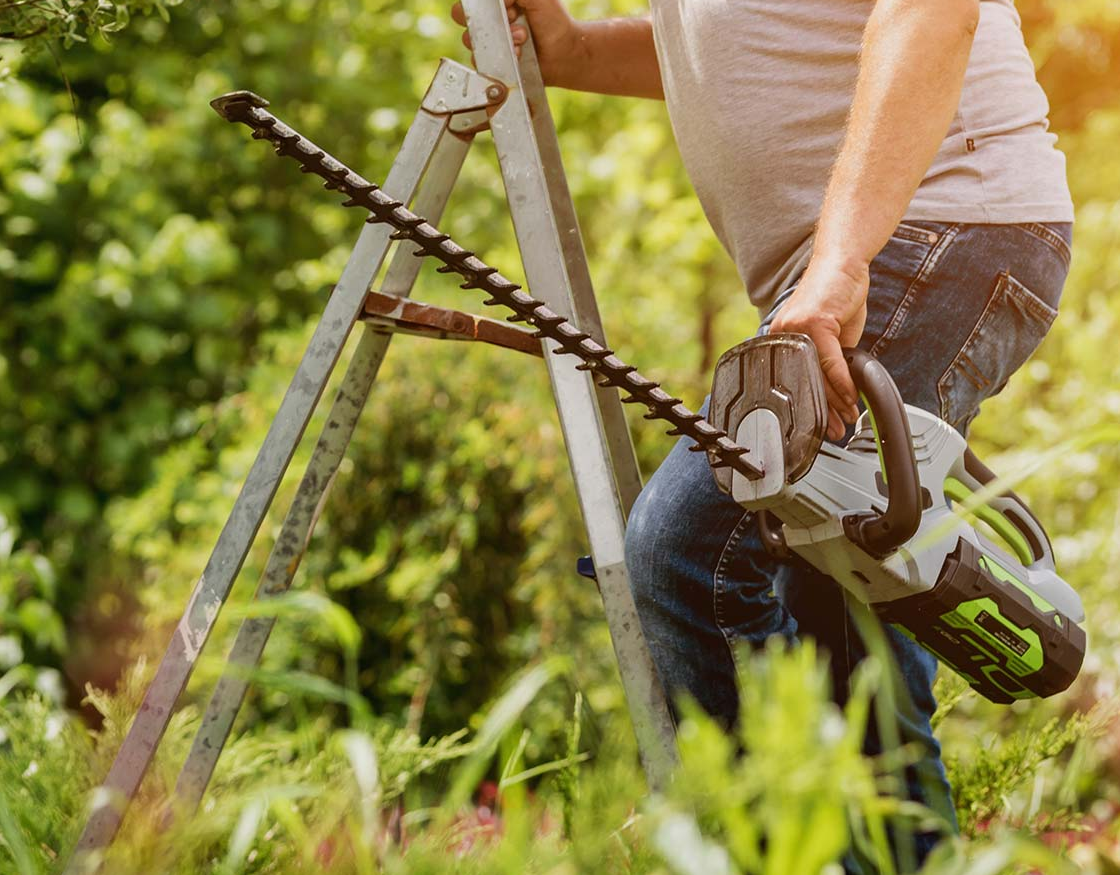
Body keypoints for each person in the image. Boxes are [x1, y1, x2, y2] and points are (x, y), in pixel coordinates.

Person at [453, 0, 1073, 863]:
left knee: (686, 552)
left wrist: (842, 264)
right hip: (880, 248)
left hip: (933, 228)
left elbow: (931, 13)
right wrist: (580, 49)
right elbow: (742, 43)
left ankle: (791, 850)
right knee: (851, 627)